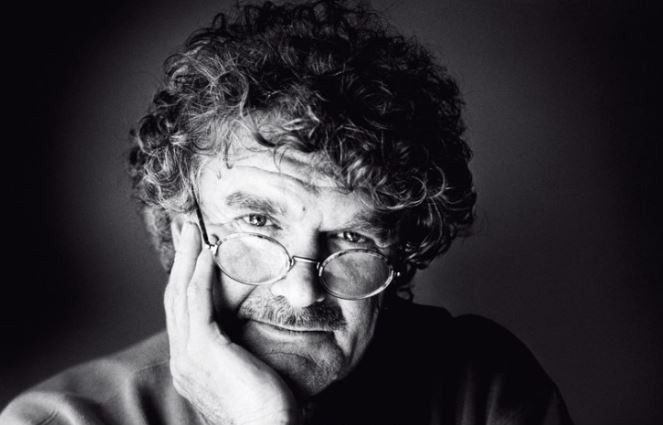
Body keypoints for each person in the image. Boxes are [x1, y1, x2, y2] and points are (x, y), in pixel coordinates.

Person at [1, 1, 573, 424]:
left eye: (351, 238)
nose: (301, 293)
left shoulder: (485, 389)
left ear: (401, 253)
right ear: (182, 231)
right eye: (258, 223)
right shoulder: (59, 422)